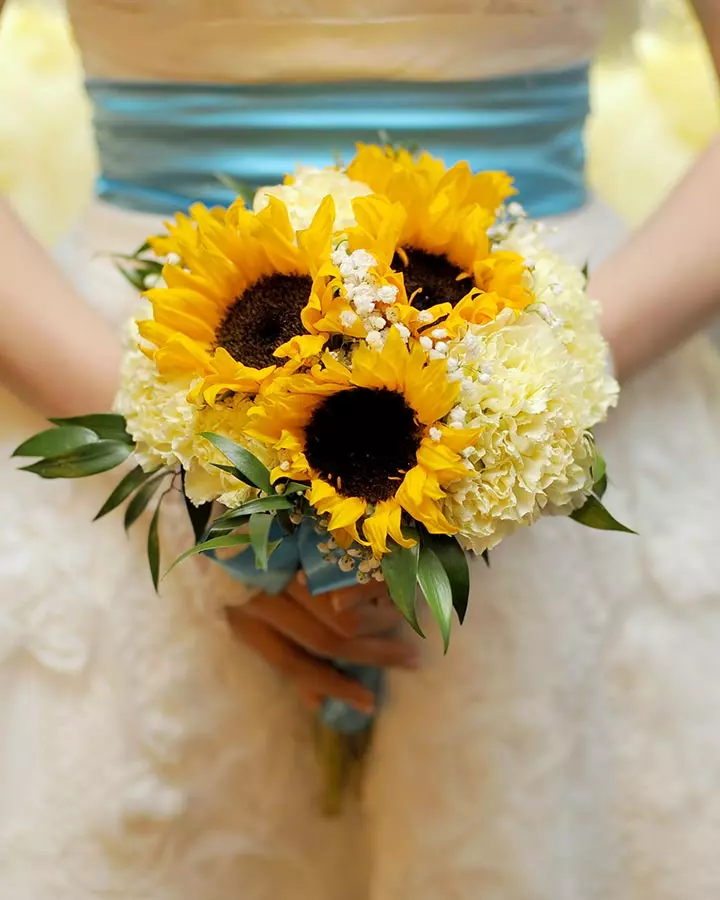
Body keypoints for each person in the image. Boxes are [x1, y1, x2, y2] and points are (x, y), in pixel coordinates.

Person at [0, 0, 719, 897]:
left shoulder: (539, 392)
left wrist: (526, 404)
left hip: (562, 359)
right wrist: (182, 449)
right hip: (127, 360)